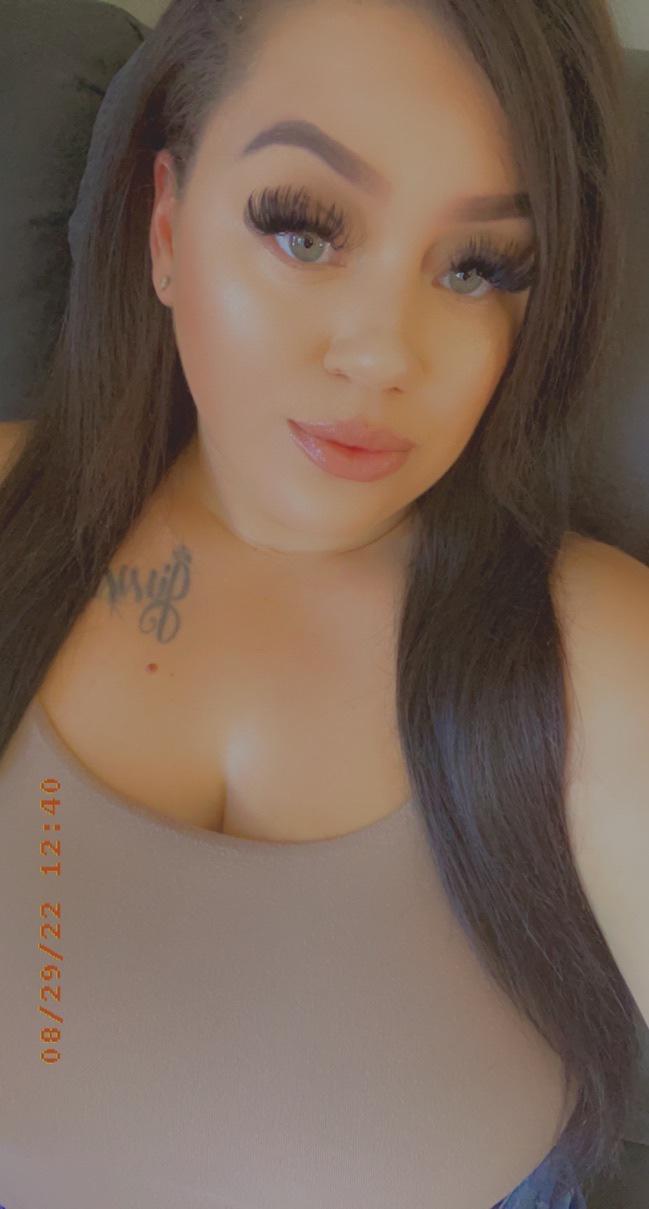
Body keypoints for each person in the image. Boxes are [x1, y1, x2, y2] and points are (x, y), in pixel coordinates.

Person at [0, 1, 646, 1206]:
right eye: (304, 230)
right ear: (163, 229)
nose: (383, 353)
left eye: (477, 268)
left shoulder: (593, 653)